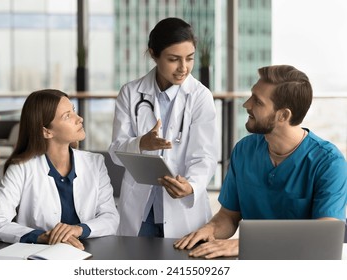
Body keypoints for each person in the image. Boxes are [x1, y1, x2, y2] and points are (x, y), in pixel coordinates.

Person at [174, 65, 347, 258]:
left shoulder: (329, 163)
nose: (246, 104)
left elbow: (325, 234)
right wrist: (210, 229)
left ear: (283, 115)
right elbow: (229, 216)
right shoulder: (244, 150)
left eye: (257, 101)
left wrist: (249, 244)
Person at [108, 17, 218, 238]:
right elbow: (115, 153)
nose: (183, 68)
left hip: (182, 209)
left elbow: (205, 156)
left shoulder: (200, 97)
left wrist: (192, 186)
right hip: (140, 210)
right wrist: (141, 143)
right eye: (173, 59)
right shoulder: (130, 93)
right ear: (153, 54)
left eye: (189, 58)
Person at [0, 89, 119, 250]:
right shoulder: (21, 168)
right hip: (39, 256)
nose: (79, 118)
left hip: (89, 253)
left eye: (73, 111)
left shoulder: (95, 163)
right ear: (46, 131)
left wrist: (77, 229)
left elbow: (111, 217)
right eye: (67, 116)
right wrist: (41, 236)